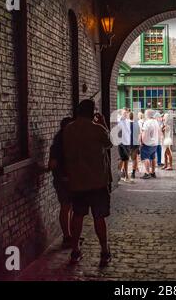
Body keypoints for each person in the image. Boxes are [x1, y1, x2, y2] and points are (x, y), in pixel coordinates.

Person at [63, 99, 113, 266]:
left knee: (77, 216)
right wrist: (104, 123)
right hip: (97, 181)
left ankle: (75, 250)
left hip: (77, 181)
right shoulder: (97, 129)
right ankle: (104, 251)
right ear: (92, 112)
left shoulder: (68, 129)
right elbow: (109, 143)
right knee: (99, 217)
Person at [48, 117, 73, 248]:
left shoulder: (57, 144)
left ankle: (69, 236)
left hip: (64, 180)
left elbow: (51, 165)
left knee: (67, 208)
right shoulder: (63, 145)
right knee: (67, 208)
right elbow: (52, 164)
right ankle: (68, 236)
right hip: (65, 181)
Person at [140, 109, 160, 179]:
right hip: (155, 143)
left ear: (147, 115)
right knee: (153, 157)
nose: (145, 115)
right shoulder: (156, 122)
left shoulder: (147, 122)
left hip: (147, 143)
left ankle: (147, 172)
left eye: (145, 114)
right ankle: (153, 172)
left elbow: (144, 133)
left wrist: (141, 141)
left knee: (146, 158)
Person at [117, 108, 132, 183]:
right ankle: (119, 175)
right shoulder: (119, 120)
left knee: (126, 159)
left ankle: (124, 175)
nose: (126, 114)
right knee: (123, 159)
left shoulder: (128, 121)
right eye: (125, 112)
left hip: (127, 142)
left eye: (127, 112)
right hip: (121, 143)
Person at [129, 111, 141, 179]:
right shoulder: (137, 124)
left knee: (125, 159)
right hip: (135, 144)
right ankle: (133, 173)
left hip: (128, 144)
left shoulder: (126, 124)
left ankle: (123, 172)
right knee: (134, 159)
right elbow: (139, 134)